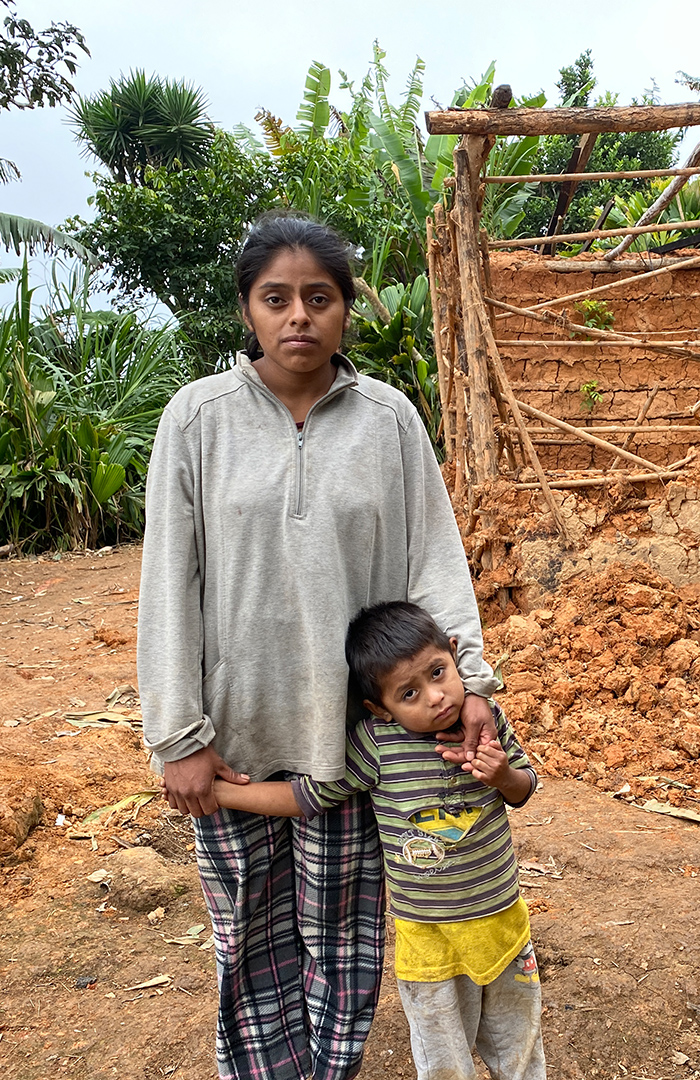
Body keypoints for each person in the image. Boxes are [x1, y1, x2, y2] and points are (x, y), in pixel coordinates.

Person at [137, 212, 498, 1080]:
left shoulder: (389, 421)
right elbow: (168, 584)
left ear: (344, 310)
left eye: (319, 297)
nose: (298, 315)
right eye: (276, 298)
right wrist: (177, 735)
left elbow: (434, 561)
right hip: (232, 743)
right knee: (247, 941)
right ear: (247, 310)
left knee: (343, 942)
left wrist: (475, 684)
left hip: (352, 740)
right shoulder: (197, 421)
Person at [204, 601, 547, 1080]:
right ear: (380, 709)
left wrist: (503, 775)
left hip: (503, 922)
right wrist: (220, 793)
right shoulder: (376, 744)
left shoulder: (483, 722)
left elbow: (525, 789)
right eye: (409, 693)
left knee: (520, 1047)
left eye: (438, 672)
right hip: (427, 940)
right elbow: (306, 797)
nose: (435, 697)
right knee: (445, 1062)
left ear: (454, 654)